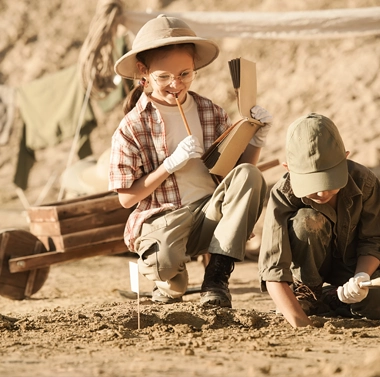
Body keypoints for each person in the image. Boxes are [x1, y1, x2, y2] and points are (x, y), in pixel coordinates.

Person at [109, 14, 272, 307]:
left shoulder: (211, 112)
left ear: (195, 67)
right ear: (143, 72)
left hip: (210, 214)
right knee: (165, 266)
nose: (176, 84)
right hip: (164, 218)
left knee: (251, 175)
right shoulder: (132, 126)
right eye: (164, 77)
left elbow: (235, 174)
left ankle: (217, 279)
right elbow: (126, 198)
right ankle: (170, 281)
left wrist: (255, 138)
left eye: (185, 73)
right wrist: (168, 165)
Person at [258, 113, 380, 327]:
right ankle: (309, 296)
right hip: (307, 272)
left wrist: (362, 276)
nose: (322, 192)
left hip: (354, 270)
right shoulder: (283, 194)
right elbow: (273, 269)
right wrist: (300, 323)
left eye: (330, 180)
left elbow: (372, 241)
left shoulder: (365, 181)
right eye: (313, 184)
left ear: (346, 157)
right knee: (307, 220)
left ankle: (333, 299)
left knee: (375, 303)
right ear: (288, 168)